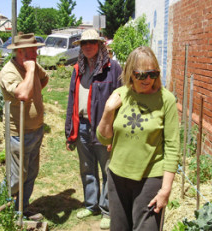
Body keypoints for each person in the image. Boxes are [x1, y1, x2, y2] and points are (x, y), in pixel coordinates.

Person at [97, 46, 180, 231]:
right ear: (130, 73)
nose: (148, 79)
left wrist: (165, 189)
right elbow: (104, 139)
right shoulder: (120, 94)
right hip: (117, 176)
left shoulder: (166, 99)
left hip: (150, 178)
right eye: (141, 74)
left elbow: (172, 148)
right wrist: (108, 111)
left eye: (152, 73)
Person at [65, 29, 122, 230]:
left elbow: (121, 102)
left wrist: (116, 133)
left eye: (92, 42)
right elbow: (71, 100)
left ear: (100, 45)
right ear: (80, 47)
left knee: (108, 170)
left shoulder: (112, 69)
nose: (88, 46)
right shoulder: (77, 69)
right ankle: (92, 205)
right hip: (81, 125)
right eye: (84, 43)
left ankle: (107, 210)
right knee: (87, 168)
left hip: (103, 127)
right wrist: (69, 131)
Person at [0, 32, 49, 220]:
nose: (36, 54)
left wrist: (35, 84)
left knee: (30, 173)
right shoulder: (9, 72)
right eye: (33, 51)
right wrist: (30, 72)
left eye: (36, 50)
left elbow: (45, 78)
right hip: (17, 132)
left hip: (36, 129)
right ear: (21, 53)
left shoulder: (33, 66)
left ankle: (21, 209)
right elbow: (22, 95)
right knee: (16, 178)